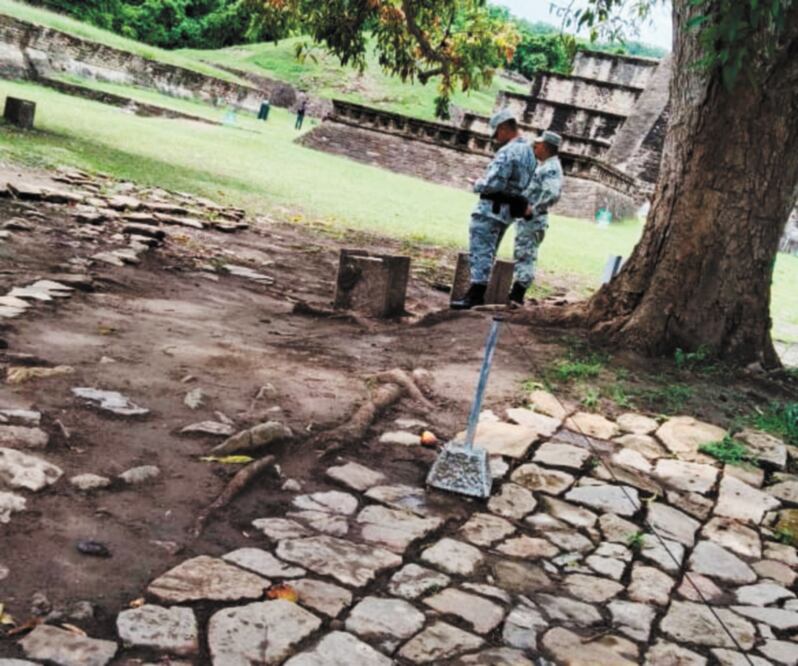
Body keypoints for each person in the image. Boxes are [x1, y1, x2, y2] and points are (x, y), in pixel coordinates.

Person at [451, 109, 535, 310]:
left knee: (481, 249)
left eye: (496, 133)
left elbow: (494, 184)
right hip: (507, 211)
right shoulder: (530, 153)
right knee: (490, 250)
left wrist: (477, 183)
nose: (496, 139)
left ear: (504, 128)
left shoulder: (508, 151)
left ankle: (475, 294)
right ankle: (475, 293)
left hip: (491, 208)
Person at [510, 130, 564, 306]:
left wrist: (533, 208)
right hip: (529, 218)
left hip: (532, 219)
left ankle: (516, 296)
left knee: (526, 254)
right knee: (522, 252)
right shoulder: (546, 165)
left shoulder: (551, 168)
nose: (535, 146)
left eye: (538, 144)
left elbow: (552, 193)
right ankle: (515, 294)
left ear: (547, 147)